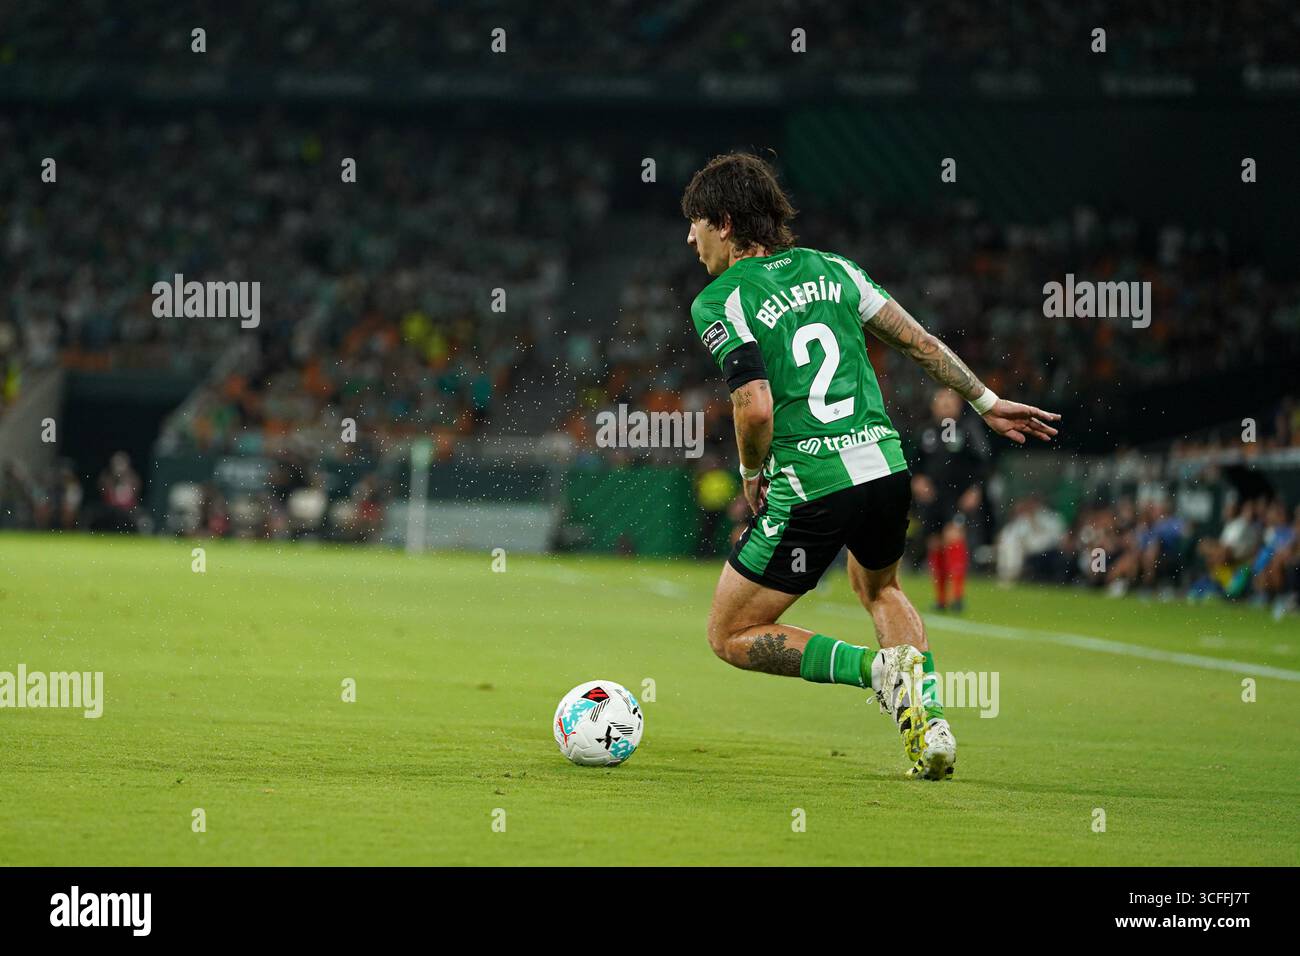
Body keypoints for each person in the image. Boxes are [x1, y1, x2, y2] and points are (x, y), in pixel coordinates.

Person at [682, 152, 1060, 779]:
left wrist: (752, 474)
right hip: (884, 470)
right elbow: (919, 343)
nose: (688, 238)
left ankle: (876, 670)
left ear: (723, 222)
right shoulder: (835, 270)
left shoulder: (719, 300)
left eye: (693, 222)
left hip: (812, 485)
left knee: (729, 635)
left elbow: (753, 409)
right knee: (880, 588)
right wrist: (986, 402)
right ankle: (931, 722)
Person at [913, 388, 993, 610]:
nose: (945, 405)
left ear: (958, 405)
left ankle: (958, 597)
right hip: (932, 498)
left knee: (953, 537)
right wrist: (918, 480)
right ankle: (940, 599)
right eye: (941, 400)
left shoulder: (968, 429)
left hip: (956, 496)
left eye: (950, 400)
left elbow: (982, 462)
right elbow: (915, 463)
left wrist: (975, 489)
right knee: (935, 543)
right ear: (933, 405)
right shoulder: (925, 432)